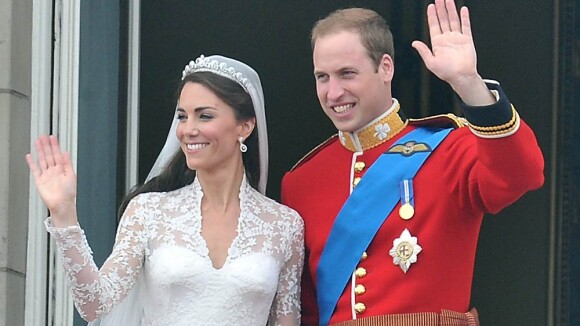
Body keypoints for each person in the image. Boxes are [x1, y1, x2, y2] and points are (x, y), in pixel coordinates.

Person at [280, 0, 544, 325]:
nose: (334, 92)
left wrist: (468, 83)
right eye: (323, 77)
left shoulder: (447, 150)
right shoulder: (302, 180)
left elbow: (522, 174)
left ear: (386, 67)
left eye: (347, 73)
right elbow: (305, 309)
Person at [26, 55, 304, 325]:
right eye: (183, 117)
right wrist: (64, 215)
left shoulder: (285, 225)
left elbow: (286, 321)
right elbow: (94, 304)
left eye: (204, 116)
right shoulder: (148, 211)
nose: (188, 130)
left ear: (245, 126)